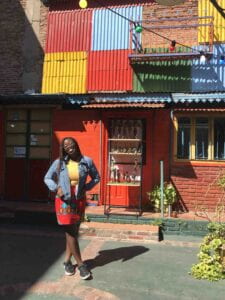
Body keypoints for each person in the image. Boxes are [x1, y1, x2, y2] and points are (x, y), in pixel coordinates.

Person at [44, 137, 100, 280]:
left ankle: (67, 262)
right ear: (63, 149)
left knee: (73, 231)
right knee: (71, 232)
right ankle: (81, 265)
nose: (69, 147)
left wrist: (85, 188)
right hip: (64, 201)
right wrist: (56, 189)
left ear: (76, 145)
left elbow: (96, 177)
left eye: (72, 144)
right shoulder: (59, 162)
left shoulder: (87, 161)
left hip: (79, 199)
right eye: (66, 146)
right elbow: (47, 178)